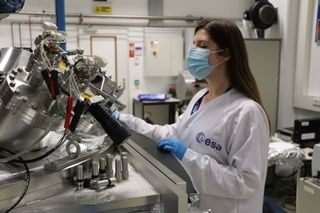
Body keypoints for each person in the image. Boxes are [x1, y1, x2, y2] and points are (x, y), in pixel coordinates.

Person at [117, 18, 270, 213]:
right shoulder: (200, 97)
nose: (194, 51)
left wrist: (187, 156)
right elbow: (173, 134)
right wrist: (127, 122)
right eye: (194, 44)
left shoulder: (246, 112)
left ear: (226, 54)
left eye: (203, 46)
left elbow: (246, 183)